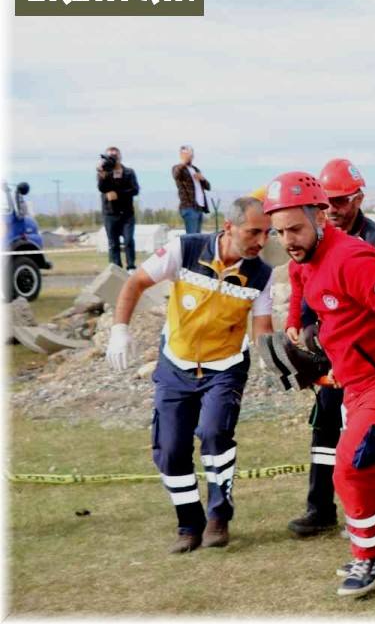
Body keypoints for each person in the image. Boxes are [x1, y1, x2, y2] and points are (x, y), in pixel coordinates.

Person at [265, 171, 375, 597]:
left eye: (295, 229)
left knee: (351, 466)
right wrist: (307, 334)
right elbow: (316, 301)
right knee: (367, 466)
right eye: (280, 231)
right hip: (356, 383)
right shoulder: (306, 260)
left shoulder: (352, 257)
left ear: (320, 217)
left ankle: (370, 555)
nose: (287, 240)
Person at [105, 197, 274, 553]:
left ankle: (218, 518)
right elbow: (134, 283)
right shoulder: (184, 249)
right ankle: (188, 525)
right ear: (228, 227)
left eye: (267, 233)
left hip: (225, 368)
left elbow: (262, 327)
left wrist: (269, 357)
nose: (262, 241)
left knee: (215, 434)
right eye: (254, 232)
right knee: (169, 450)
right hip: (175, 366)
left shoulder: (262, 273)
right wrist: (119, 330)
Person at [96, 146, 140, 270]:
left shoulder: (129, 172)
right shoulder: (105, 172)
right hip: (110, 213)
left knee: (129, 241)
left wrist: (118, 194)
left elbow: (135, 190)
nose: (113, 158)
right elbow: (102, 188)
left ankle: (131, 267)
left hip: (127, 213)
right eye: (110, 156)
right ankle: (116, 268)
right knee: (113, 243)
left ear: (120, 157)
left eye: (115, 155)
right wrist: (102, 175)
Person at [173, 145, 210, 234]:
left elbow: (208, 187)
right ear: (181, 155)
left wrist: (202, 178)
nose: (189, 156)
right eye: (186, 154)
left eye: (190, 153)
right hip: (189, 207)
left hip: (199, 207)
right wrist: (184, 162)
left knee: (198, 236)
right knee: (192, 236)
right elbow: (176, 174)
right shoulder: (178, 168)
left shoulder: (195, 169)